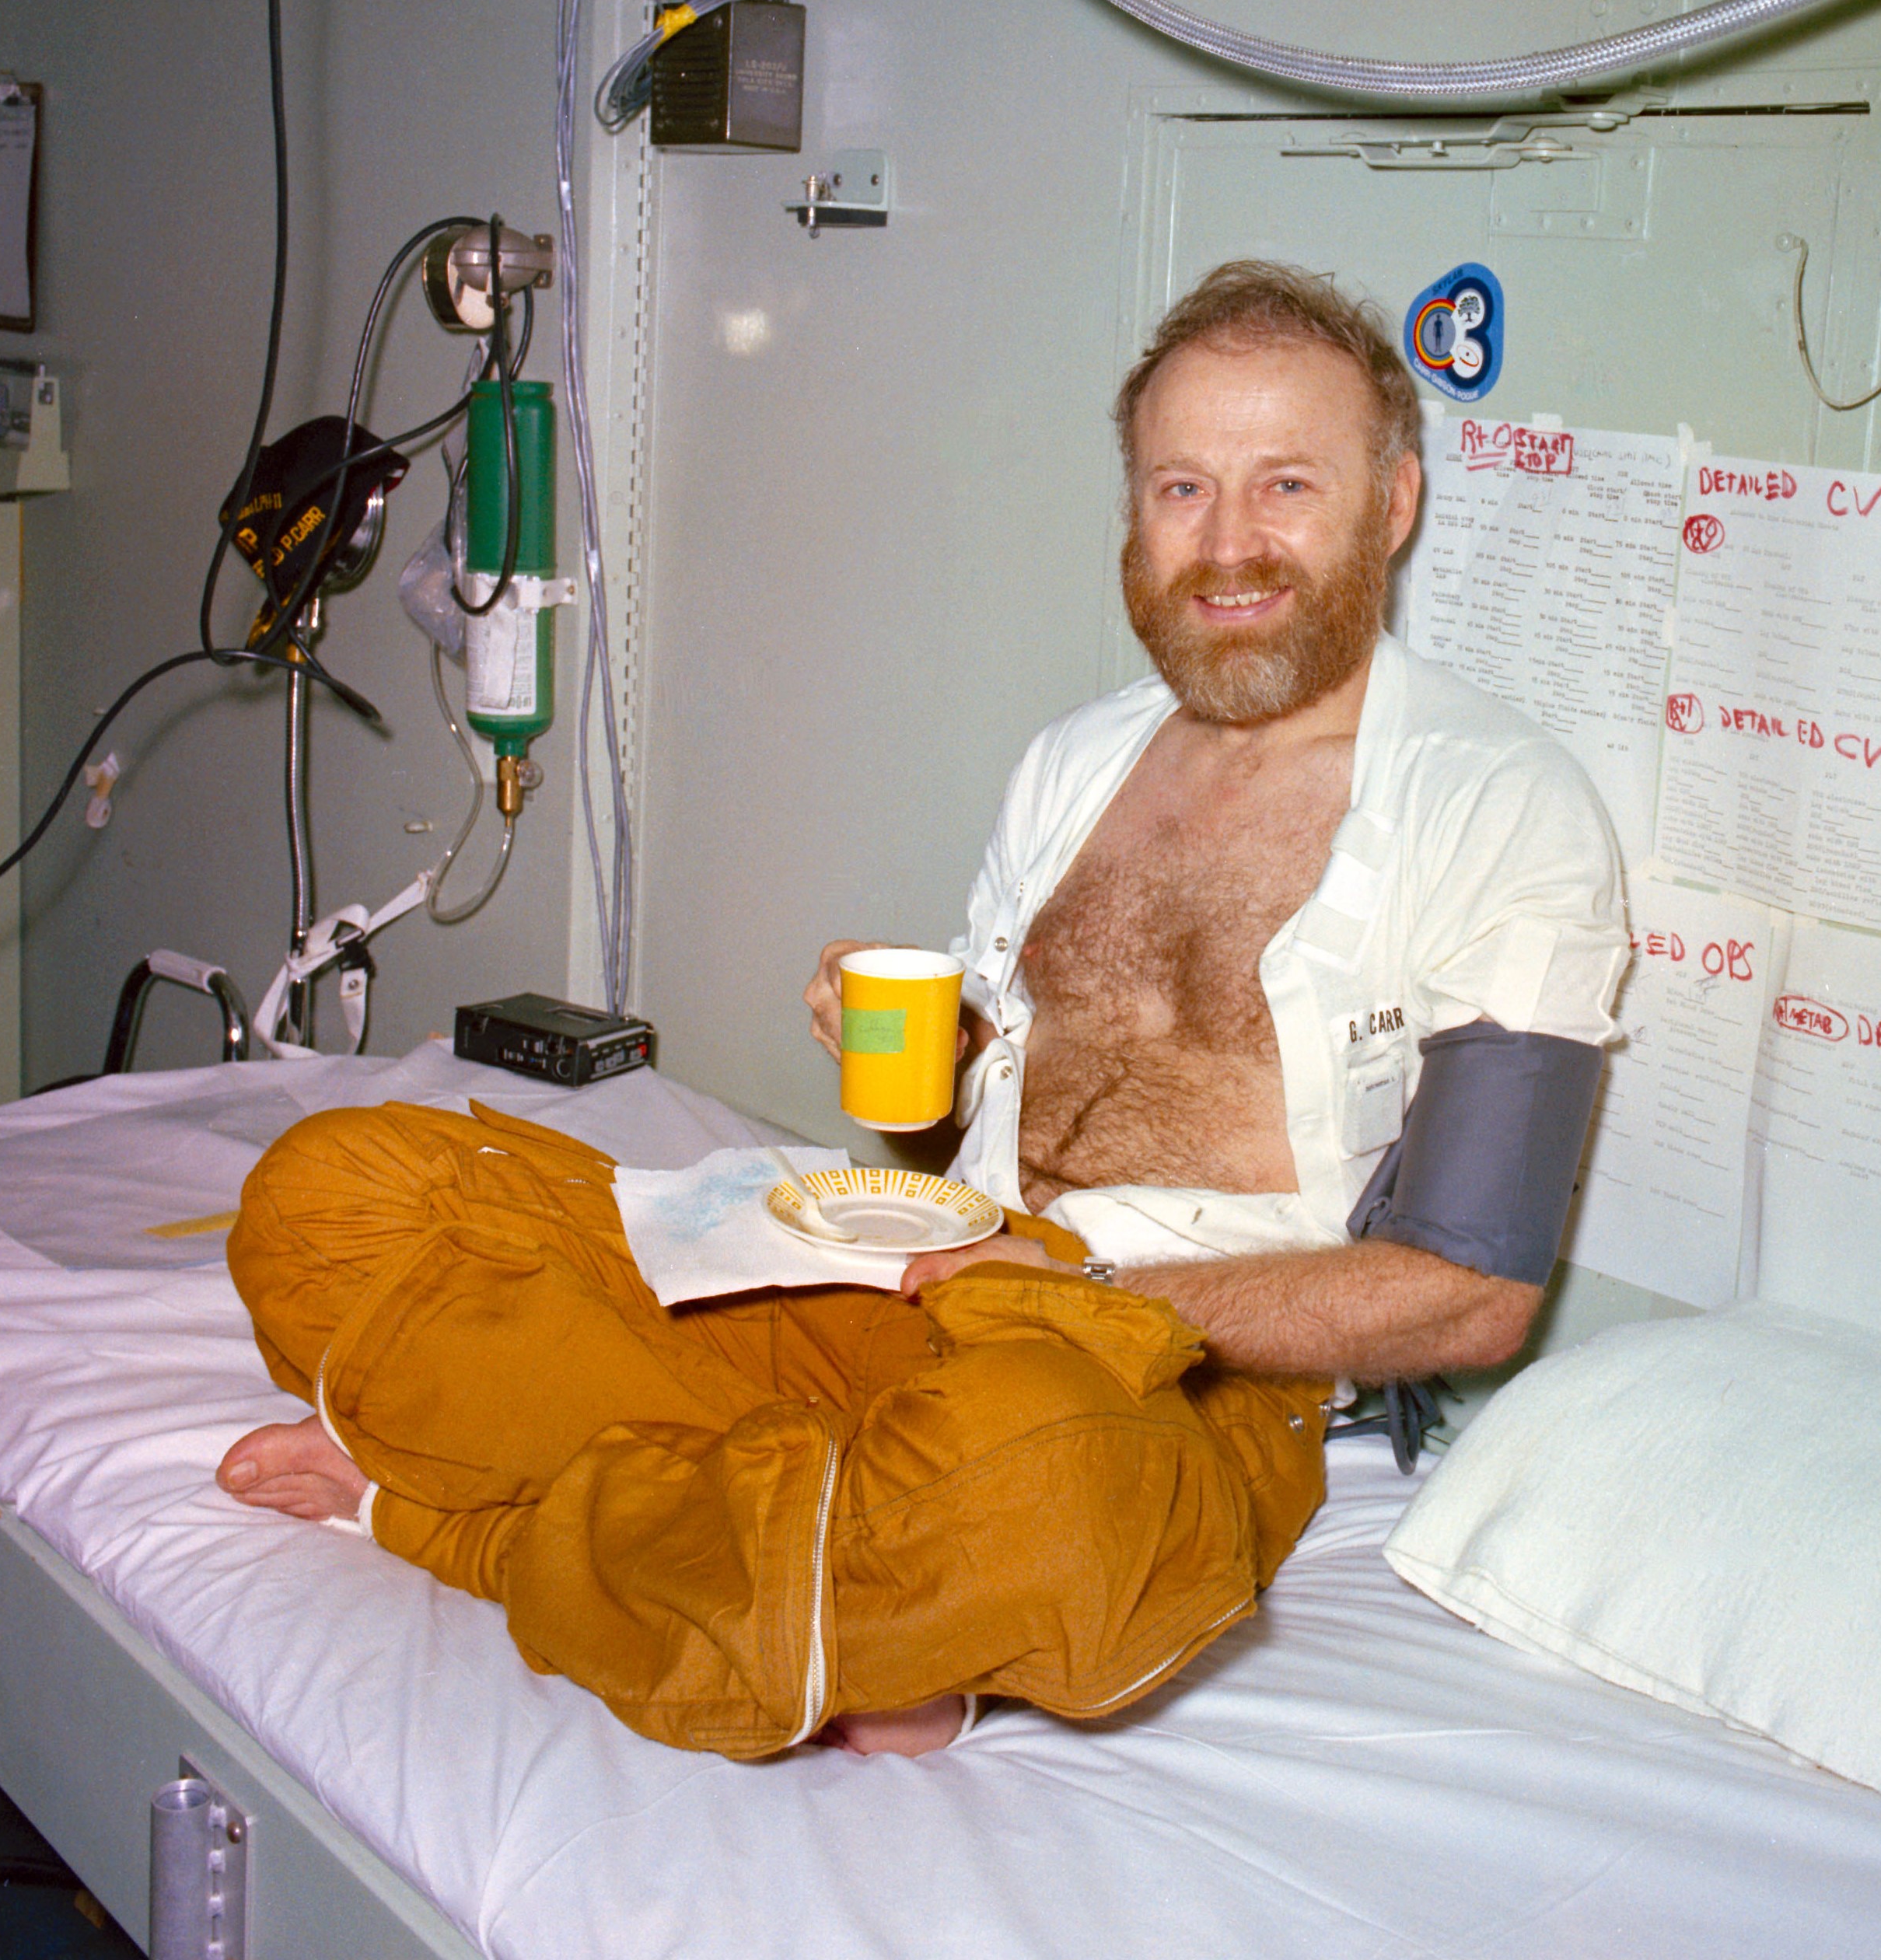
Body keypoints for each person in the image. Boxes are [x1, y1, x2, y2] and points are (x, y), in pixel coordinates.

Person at [216, 260, 1626, 1762]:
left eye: (1287, 484)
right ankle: (818, 1556)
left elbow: (1469, 1289)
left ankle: (462, 1516)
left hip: (1175, 1371)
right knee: (334, 1195)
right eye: (1180, 489)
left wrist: (1079, 1298)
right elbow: (945, 1139)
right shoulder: (1074, 762)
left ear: (1391, 502)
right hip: (922, 1274)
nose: (1228, 547)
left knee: (1043, 1501)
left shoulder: (1498, 805)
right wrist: (924, 1067)